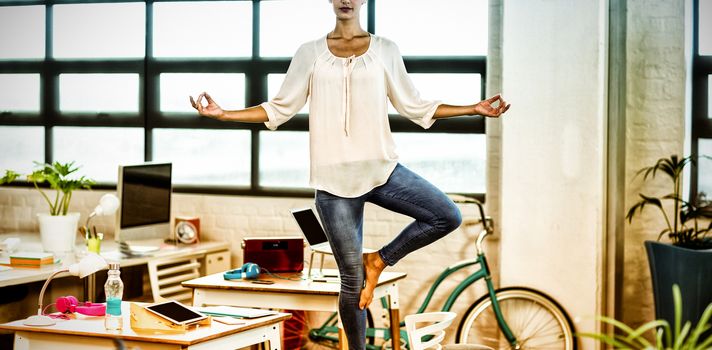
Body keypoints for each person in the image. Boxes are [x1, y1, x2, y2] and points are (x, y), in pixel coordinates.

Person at [190, 0, 510, 348]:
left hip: (381, 169)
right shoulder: (309, 52)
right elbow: (278, 108)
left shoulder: (386, 50)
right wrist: (224, 115)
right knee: (351, 281)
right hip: (332, 182)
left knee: (446, 214)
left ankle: (379, 259)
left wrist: (472, 109)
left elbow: (415, 106)